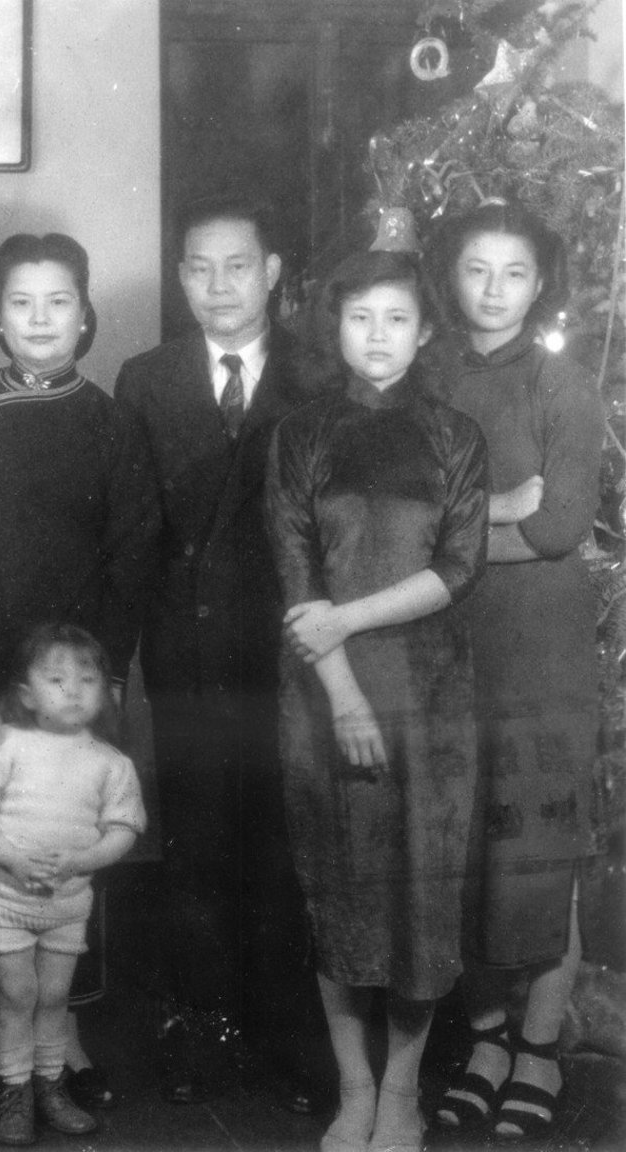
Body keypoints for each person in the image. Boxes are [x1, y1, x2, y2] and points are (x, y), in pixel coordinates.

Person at [0, 231, 159, 1107]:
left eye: (58, 302)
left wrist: (94, 677)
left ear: (86, 313)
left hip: (74, 680)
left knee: (69, 842)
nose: (39, 319)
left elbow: (132, 553)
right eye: (21, 303)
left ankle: (65, 1040)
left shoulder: (111, 420)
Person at [265, 250, 490, 1152]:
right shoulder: (299, 435)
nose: (378, 338)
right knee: (340, 887)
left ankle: (402, 1092)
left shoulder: (454, 435)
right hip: (322, 693)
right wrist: (344, 692)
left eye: (397, 319)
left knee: (418, 898)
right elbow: (295, 575)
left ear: (426, 329)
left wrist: (350, 620)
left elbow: (460, 569)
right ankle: (353, 1089)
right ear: (336, 330)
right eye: (360, 319)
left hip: (428, 694)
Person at [113, 193, 315, 1106]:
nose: (219, 286)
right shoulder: (146, 378)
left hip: (293, 648)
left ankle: (289, 1030)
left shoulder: (318, 374)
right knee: (194, 838)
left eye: (239, 265)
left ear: (273, 273)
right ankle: (207, 1022)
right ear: (181, 277)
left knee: (285, 836)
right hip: (187, 650)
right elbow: (134, 532)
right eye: (199, 267)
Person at [429, 199, 604, 1143]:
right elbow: (399, 524)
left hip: (539, 657)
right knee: (457, 855)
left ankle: (538, 1049)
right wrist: (497, 507)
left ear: (542, 285)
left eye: (515, 274)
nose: (493, 291)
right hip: (446, 653)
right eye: (476, 270)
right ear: (449, 277)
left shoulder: (563, 384)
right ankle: (488, 1040)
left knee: (536, 857)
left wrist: (457, 531)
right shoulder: (424, 374)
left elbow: (559, 528)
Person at [0, 623, 146, 1146]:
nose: (74, 689)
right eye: (57, 679)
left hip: (66, 904)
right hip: (3, 899)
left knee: (55, 995)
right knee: (17, 993)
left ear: (105, 693)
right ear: (27, 695)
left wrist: (84, 859)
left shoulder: (111, 763)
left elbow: (124, 830)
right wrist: (11, 860)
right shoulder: (3, 745)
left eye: (87, 679)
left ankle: (49, 1086)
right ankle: (14, 1091)